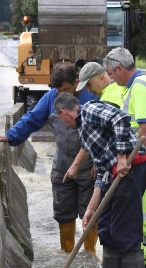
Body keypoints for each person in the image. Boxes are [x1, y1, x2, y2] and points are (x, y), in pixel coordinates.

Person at [54, 92, 146, 268]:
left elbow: (121, 118)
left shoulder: (89, 110)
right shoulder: (84, 132)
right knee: (106, 228)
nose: (62, 122)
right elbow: (102, 170)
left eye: (60, 118)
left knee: (125, 229)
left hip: (131, 171)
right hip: (114, 174)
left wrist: (122, 157)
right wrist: (91, 208)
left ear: (64, 113)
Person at [0, 63, 99, 253]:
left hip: (89, 169)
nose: (62, 94)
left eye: (66, 90)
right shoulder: (51, 98)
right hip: (62, 167)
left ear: (77, 82)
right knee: (63, 213)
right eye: (58, 90)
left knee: (91, 214)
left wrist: (100, 162)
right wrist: (10, 136)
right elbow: (32, 119)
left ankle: (90, 257)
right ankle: (67, 253)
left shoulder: (92, 97)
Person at [103, 47, 146, 268]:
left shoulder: (138, 87)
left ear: (120, 68)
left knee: (141, 216)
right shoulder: (142, 82)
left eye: (111, 73)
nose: (110, 78)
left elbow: (145, 128)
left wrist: (139, 160)